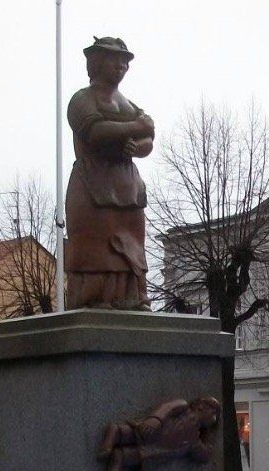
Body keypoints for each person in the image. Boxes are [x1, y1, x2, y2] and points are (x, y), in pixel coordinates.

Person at [64, 37, 154, 309]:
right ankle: (93, 298)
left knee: (131, 248)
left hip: (127, 185)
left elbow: (149, 139)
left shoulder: (129, 104)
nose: (121, 66)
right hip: (92, 183)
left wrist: (135, 147)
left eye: (125, 61)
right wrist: (138, 127)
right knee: (94, 249)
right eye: (115, 59)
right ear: (96, 62)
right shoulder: (81, 99)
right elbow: (95, 132)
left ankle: (132, 297)